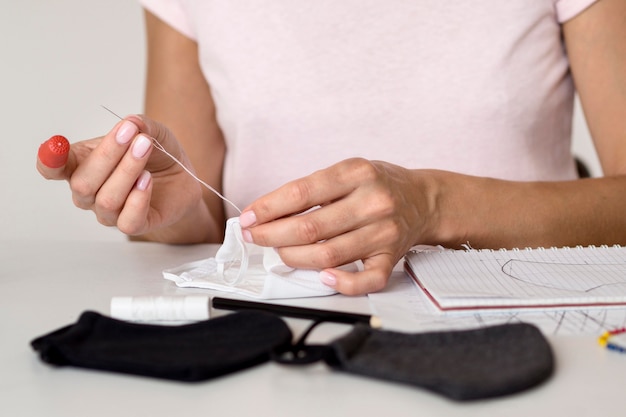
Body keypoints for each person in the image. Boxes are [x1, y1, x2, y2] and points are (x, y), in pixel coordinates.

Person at [37, 0, 626, 296]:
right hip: (271, 356)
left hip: (524, 333)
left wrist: (435, 204)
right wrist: (169, 206)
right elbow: (196, 216)